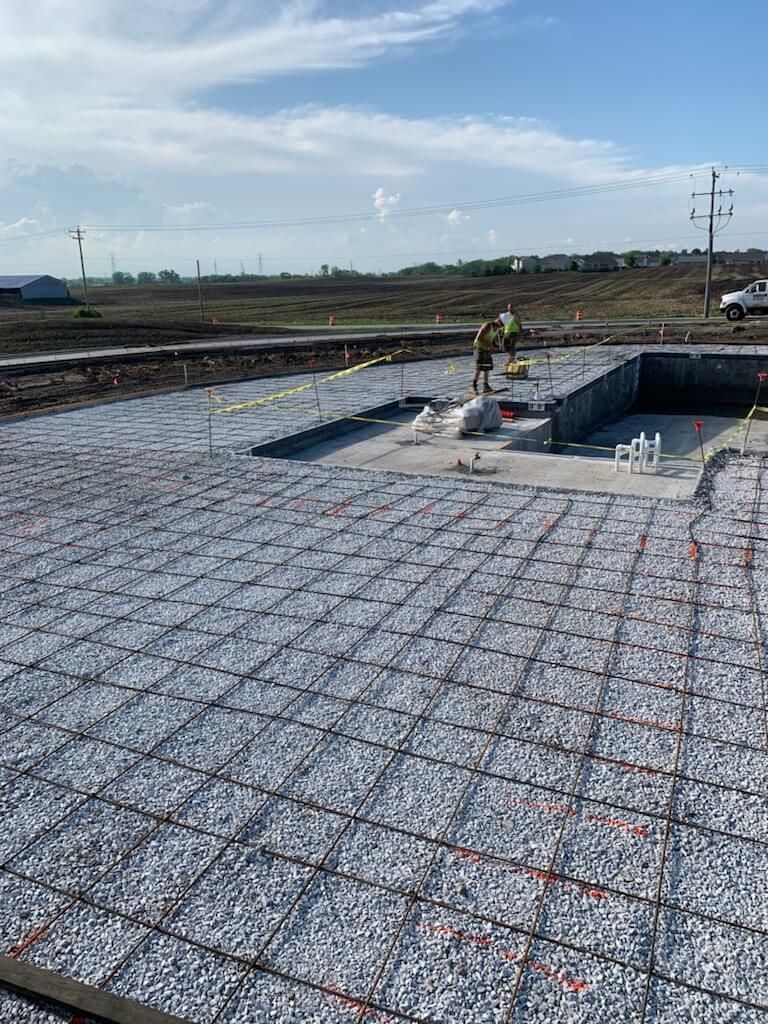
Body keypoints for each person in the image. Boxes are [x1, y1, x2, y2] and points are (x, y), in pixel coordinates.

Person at [472, 318, 503, 392]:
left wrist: (496, 345)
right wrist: (489, 345)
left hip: (486, 349)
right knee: (479, 367)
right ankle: (474, 386)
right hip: (479, 347)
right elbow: (479, 338)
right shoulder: (487, 326)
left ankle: (486, 386)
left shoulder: (497, 329)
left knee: (487, 367)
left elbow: (492, 340)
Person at [501, 302, 523, 368]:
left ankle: (511, 360)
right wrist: (502, 329)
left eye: (511, 307)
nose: (510, 309)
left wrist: (520, 333)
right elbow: (504, 324)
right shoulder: (506, 315)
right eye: (509, 308)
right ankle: (512, 357)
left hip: (514, 333)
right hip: (506, 332)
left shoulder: (516, 315)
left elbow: (519, 324)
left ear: (513, 308)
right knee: (504, 345)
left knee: (512, 346)